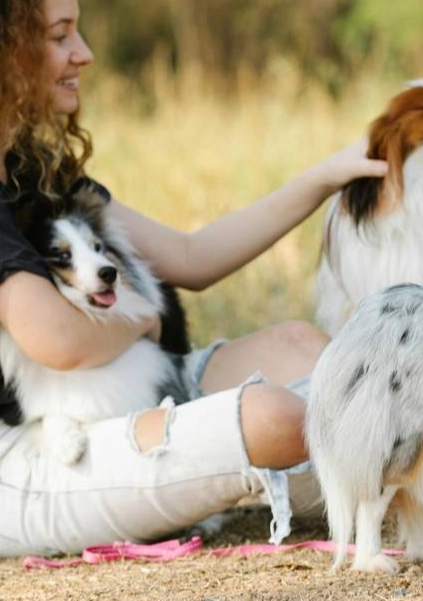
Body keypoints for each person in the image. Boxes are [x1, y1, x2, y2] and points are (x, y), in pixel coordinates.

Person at [0, 0, 386, 557]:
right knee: (274, 417)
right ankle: (406, 458)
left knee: (305, 348)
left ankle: (412, 453)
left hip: (130, 385)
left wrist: (327, 175)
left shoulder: (34, 173)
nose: (83, 54)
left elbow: (192, 254)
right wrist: (146, 320)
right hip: (35, 454)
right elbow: (57, 341)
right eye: (61, 36)